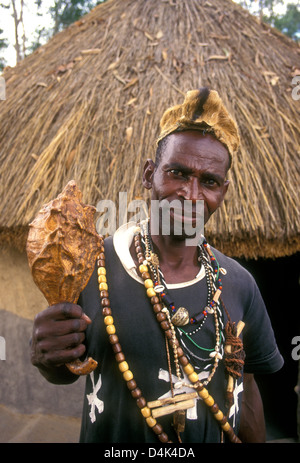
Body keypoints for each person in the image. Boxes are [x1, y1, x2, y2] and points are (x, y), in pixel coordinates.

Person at [30, 88, 283, 444]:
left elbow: (246, 386)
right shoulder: (91, 267)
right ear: (150, 174)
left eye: (208, 182)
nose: (191, 194)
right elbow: (63, 370)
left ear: (222, 192)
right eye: (177, 173)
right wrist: (44, 356)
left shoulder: (239, 284)